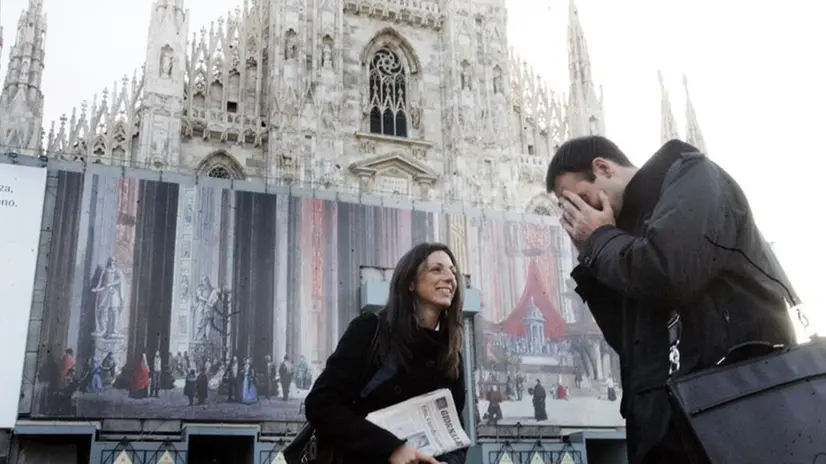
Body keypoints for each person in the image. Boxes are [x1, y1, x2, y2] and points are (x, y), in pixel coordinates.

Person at [545, 136, 797, 464]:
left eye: (582, 199)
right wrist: (592, 253)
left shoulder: (693, 178)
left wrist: (602, 241)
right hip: (667, 431)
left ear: (603, 168)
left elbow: (671, 274)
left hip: (734, 415)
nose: (582, 216)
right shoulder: (624, 236)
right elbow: (628, 343)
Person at [305, 242, 468, 464]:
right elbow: (321, 404)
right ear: (410, 282)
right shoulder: (370, 330)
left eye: (453, 272)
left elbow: (455, 433)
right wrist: (391, 449)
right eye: (436, 269)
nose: (450, 278)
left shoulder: (451, 356)